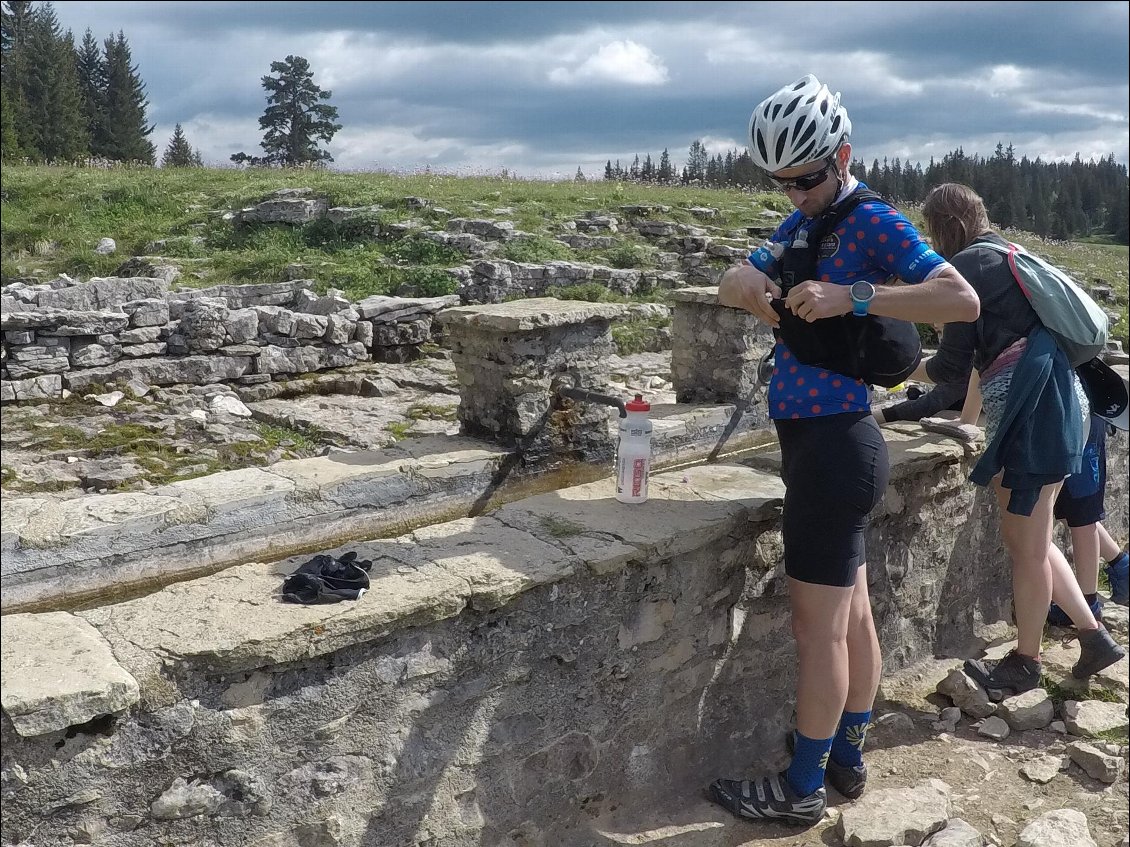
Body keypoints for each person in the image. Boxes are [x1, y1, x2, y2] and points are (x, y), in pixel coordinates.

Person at [707, 74, 980, 826]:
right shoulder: (798, 228)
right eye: (782, 182)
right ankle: (850, 758)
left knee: (816, 629)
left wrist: (851, 296)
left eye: (806, 178)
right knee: (853, 620)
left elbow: (961, 298)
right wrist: (762, 298)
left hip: (837, 444)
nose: (795, 193)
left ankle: (801, 785)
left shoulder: (875, 222)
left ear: (843, 155)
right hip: (819, 447)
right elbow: (733, 276)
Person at [917, 183, 1125, 703]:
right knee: (1033, 539)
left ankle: (1026, 661)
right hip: (1060, 401)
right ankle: (1093, 637)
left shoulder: (967, 268)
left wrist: (886, 370)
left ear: (942, 226)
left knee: (1025, 548)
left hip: (1031, 412)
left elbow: (948, 369)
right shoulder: (1009, 255)